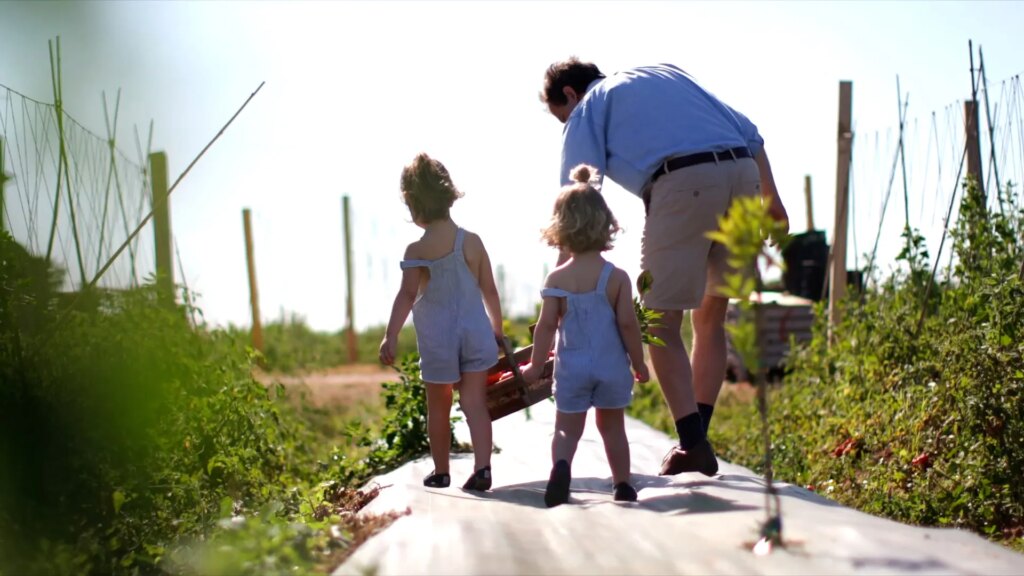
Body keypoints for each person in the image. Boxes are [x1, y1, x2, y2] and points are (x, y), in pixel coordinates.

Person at [539, 57, 790, 477]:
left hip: (685, 183)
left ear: (569, 94)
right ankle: (696, 440)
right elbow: (749, 133)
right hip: (742, 177)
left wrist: (565, 282)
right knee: (710, 318)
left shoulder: (587, 106)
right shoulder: (664, 73)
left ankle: (693, 443)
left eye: (560, 118)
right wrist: (773, 200)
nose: (566, 125)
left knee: (657, 323)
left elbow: (578, 200)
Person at [522, 164, 650, 507]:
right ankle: (622, 484)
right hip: (610, 367)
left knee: (567, 427)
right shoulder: (617, 278)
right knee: (612, 428)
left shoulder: (557, 280)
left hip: (572, 368)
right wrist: (639, 362)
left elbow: (547, 327)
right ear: (605, 224)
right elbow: (627, 325)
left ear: (560, 227)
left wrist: (534, 366)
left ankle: (562, 467)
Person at [379, 153, 505, 491]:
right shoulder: (472, 242)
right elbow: (489, 290)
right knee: (475, 402)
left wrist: (390, 336)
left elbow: (406, 296)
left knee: (439, 405)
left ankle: (441, 471)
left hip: (439, 340)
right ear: (449, 195)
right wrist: (497, 329)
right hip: (475, 333)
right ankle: (482, 468)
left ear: (413, 205)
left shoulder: (416, 250)